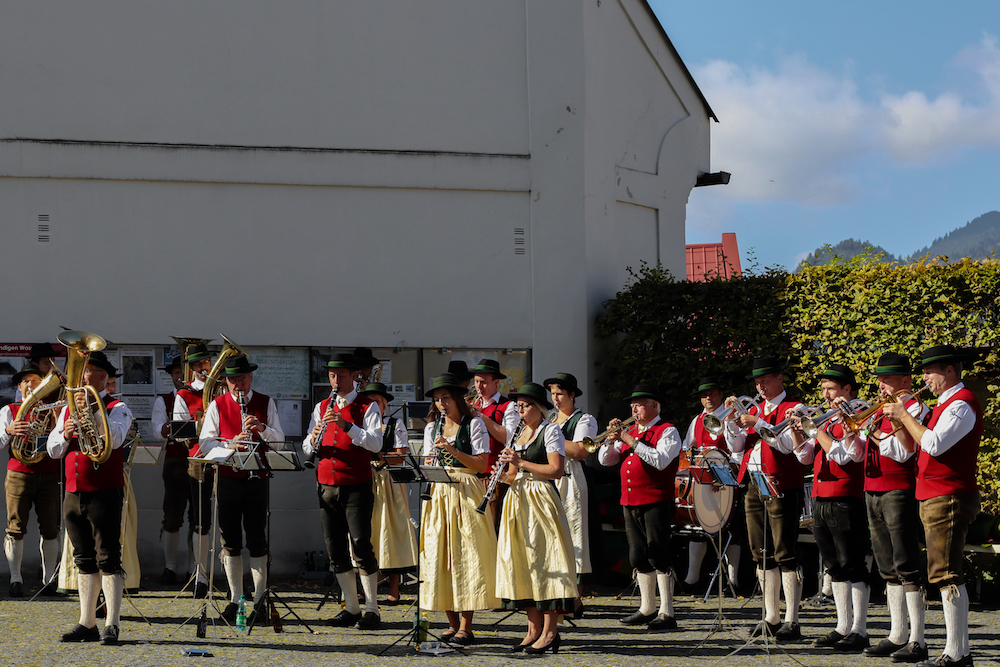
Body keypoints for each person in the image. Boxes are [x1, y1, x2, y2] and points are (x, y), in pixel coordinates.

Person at [883, 345, 981, 667]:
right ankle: (958, 652)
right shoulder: (943, 405)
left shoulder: (961, 404)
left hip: (949, 495)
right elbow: (914, 446)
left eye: (930, 372)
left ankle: (957, 654)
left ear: (950, 371)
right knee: (941, 573)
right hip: (933, 495)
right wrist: (899, 422)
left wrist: (905, 415)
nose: (924, 378)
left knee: (946, 574)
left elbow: (935, 445)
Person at [47, 350, 134, 645]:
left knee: (108, 556)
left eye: (88, 371)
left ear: (102, 377)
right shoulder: (68, 409)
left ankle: (112, 623)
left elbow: (117, 438)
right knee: (83, 557)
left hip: (104, 491)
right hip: (73, 491)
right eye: (81, 371)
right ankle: (87, 622)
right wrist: (66, 433)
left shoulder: (118, 407)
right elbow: (53, 449)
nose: (82, 376)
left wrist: (94, 412)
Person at [723, 355, 809, 641]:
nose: (760, 386)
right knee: (760, 551)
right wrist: (732, 424)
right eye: (757, 382)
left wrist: (758, 421)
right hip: (754, 482)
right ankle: (771, 616)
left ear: (779, 379)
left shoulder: (793, 408)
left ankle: (792, 620)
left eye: (765, 380)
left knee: (785, 551)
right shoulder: (754, 409)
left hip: (782, 483)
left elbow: (786, 447)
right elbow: (736, 446)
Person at [789, 364, 870, 652]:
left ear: (848, 389)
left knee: (853, 564)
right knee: (834, 566)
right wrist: (798, 432)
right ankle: (842, 625)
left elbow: (846, 455)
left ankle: (860, 629)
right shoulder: (825, 422)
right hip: (822, 498)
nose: (825, 395)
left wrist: (814, 430)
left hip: (847, 498)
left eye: (831, 389)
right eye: (823, 389)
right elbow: (804, 459)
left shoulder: (858, 416)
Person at [198, 354, 285, 624]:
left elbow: (280, 442)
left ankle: (260, 599)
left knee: (257, 539)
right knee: (230, 542)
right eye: (234, 380)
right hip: (228, 479)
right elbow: (205, 444)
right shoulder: (217, 404)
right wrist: (230, 444)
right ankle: (236, 599)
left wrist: (262, 429)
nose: (239, 384)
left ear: (251, 378)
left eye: (244, 378)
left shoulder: (265, 402)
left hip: (256, 479)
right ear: (226, 381)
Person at [301, 353, 383, 630]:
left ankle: (372, 608)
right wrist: (312, 439)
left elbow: (375, 444)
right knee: (335, 549)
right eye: (333, 376)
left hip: (356, 485)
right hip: (326, 484)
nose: (336, 381)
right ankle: (351, 607)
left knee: (361, 545)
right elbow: (306, 442)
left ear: (354, 377)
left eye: (342, 376)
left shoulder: (367, 407)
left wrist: (347, 426)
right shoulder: (321, 406)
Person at [495, 383, 577, 654]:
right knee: (523, 562)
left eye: (526, 405)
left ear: (539, 408)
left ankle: (550, 632)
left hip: (541, 499)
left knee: (545, 562)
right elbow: (510, 475)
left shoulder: (550, 430)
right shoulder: (516, 433)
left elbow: (555, 469)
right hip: (517, 499)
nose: (521, 409)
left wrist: (520, 463)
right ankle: (532, 629)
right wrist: (498, 477)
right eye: (518, 405)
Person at [420, 373, 499, 645]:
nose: (442, 404)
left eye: (446, 398)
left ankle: (467, 625)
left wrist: (453, 451)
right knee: (440, 555)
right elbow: (429, 462)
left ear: (457, 399)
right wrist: (430, 461)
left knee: (467, 556)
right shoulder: (433, 428)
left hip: (466, 490)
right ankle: (451, 623)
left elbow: (481, 465)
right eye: (438, 399)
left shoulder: (474, 424)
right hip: (440, 491)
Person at [860, 352, 929, 663]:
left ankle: (918, 639)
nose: (882, 385)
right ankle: (897, 633)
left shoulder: (915, 408)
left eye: (888, 379)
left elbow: (903, 452)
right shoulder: (881, 411)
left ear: (906, 381)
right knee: (887, 566)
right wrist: (868, 428)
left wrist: (879, 428)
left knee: (907, 564)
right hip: (873, 489)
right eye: (879, 379)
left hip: (900, 490)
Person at [598, 384, 682, 632]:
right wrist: (610, 440)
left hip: (656, 500)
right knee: (637, 554)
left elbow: (660, 460)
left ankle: (668, 612)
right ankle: (647, 608)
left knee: (659, 553)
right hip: (630, 500)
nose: (634, 408)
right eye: (632, 404)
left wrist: (629, 440)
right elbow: (605, 461)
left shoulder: (668, 430)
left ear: (655, 405)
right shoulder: (630, 431)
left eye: (640, 403)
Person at [679, 376, 744, 596]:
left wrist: (725, 475)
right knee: (699, 525)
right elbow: (688, 449)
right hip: (703, 478)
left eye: (713, 394)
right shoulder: (697, 420)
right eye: (704, 395)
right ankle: (692, 578)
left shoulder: (729, 417)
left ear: (720, 395)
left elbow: (737, 451)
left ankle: (733, 581)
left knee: (731, 527)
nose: (708, 398)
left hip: (726, 477)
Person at [0, 364, 61, 597]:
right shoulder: (10, 409)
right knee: (15, 527)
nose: (31, 385)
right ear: (19, 386)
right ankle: (16, 579)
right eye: (26, 381)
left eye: (36, 380)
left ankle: (48, 580)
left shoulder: (52, 410)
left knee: (50, 528)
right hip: (19, 473)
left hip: (49, 473)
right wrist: (9, 430)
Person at [358, 382, 417, 605]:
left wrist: (381, 454)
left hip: (388, 480)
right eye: (369, 401)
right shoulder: (359, 425)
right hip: (365, 478)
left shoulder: (395, 423)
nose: (373, 405)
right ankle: (364, 590)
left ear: (383, 404)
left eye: (377, 401)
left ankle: (394, 590)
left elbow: (400, 456)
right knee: (365, 532)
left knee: (392, 533)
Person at [544, 372, 597, 617]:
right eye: (553, 394)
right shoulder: (552, 419)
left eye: (560, 394)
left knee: (575, 535)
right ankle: (554, 593)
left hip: (572, 479)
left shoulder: (585, 419)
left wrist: (549, 433)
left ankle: (574, 598)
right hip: (550, 479)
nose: (555, 399)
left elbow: (580, 451)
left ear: (572, 395)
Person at [172, 342, 215, 598]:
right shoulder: (184, 395)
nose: (202, 369)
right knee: (201, 520)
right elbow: (179, 434)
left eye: (205, 364)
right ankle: (200, 575)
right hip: (198, 459)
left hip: (226, 458)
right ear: (191, 369)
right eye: (197, 366)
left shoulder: (223, 390)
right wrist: (204, 419)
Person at [150, 357, 188, 584]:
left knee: (200, 520)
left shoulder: (205, 399)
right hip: (175, 462)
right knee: (172, 517)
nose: (180, 377)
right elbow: (157, 431)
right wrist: (181, 423)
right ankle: (170, 567)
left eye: (183, 372)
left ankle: (197, 571)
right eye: (176, 373)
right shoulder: (163, 401)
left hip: (200, 459)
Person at [468, 359, 518, 524]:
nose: (479, 386)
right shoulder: (471, 404)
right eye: (476, 381)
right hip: (472, 476)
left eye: (484, 382)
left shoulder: (508, 406)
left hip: (494, 477)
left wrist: (481, 417)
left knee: (492, 526)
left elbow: (508, 438)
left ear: (496, 382)